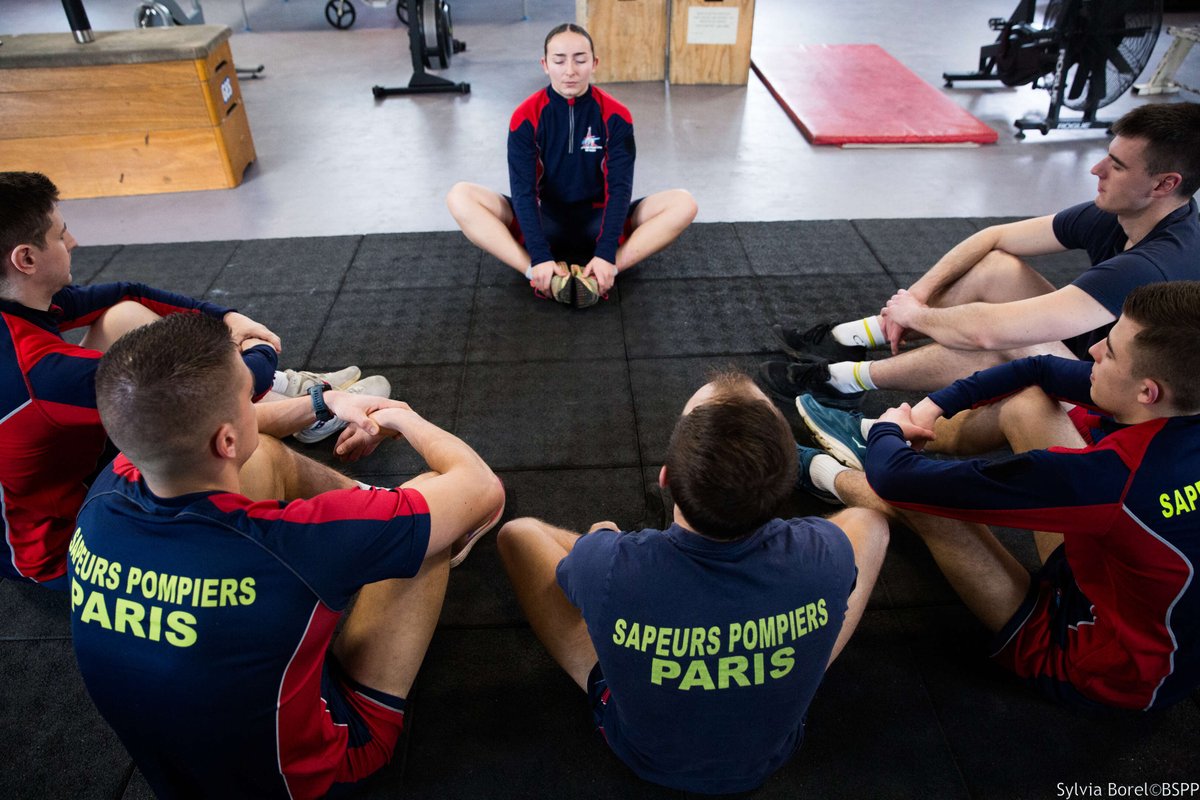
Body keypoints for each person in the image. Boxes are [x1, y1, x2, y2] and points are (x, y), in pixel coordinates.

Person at [70, 312, 505, 799]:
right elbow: (480, 486)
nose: (259, 400)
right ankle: (390, 525)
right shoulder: (290, 544)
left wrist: (324, 400)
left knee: (267, 456)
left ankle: (377, 516)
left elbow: (240, 431)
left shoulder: (106, 494)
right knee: (432, 492)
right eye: (248, 394)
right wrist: (398, 414)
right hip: (312, 775)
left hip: (180, 771)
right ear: (226, 439)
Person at [793, 281, 1200, 711]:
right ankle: (892, 439)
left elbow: (898, 481)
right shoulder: (1180, 401)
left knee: (931, 504)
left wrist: (891, 432)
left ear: (1147, 392)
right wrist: (929, 408)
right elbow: (1039, 367)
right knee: (1027, 405)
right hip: (1121, 580)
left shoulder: (1110, 478)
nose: (1094, 349)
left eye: (1111, 351)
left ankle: (827, 472)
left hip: (1098, 667)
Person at [497, 370, 889, 793]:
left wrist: (602, 542)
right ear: (784, 490)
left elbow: (576, 562)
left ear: (666, 479)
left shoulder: (607, 565)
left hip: (642, 754)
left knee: (517, 535)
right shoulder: (824, 552)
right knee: (871, 523)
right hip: (770, 751)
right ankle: (801, 665)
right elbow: (867, 523)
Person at [0, 171, 387, 588]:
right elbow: (207, 391)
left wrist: (227, 318)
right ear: (26, 259)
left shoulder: (19, 306)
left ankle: (309, 403)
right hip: (64, 549)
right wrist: (258, 351)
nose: (73, 242)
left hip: (65, 468)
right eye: (62, 234)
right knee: (233, 446)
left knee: (124, 318)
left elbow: (126, 292)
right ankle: (383, 517)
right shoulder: (43, 376)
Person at [759, 102, 1200, 409]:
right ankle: (855, 339)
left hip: (1117, 397)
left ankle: (843, 382)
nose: (1096, 170)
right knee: (997, 269)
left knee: (1003, 344)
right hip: (1099, 351)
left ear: (1164, 185)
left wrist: (917, 316)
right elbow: (993, 237)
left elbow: (989, 334)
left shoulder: (1154, 263)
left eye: (1117, 166)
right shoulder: (1123, 212)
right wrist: (911, 300)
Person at [446, 23, 697, 308]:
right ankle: (539, 274)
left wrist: (606, 254)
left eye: (580, 59)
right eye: (559, 60)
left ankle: (603, 273)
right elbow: (523, 191)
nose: (570, 71)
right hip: (545, 221)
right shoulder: (525, 116)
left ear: (594, 63)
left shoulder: (617, 115)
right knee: (460, 196)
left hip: (597, 222)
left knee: (684, 203)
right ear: (544, 64)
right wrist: (538, 257)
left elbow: (619, 189)